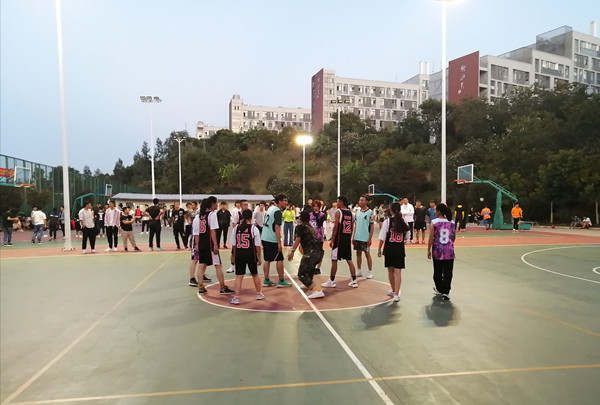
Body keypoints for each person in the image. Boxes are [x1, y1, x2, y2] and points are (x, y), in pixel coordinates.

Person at [195, 197, 234, 296]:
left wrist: (197, 244)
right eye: (216, 203)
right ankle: (222, 287)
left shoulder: (199, 216)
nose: (217, 205)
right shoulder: (212, 215)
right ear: (212, 204)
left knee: (201, 265)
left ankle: (201, 287)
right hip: (210, 244)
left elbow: (197, 233)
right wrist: (215, 245)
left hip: (202, 243)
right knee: (218, 265)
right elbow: (212, 231)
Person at [322, 196, 358, 289]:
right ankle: (354, 280)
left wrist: (332, 239)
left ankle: (331, 281)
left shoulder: (339, 212)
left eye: (338, 202)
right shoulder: (351, 213)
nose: (336, 203)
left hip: (339, 240)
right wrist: (350, 237)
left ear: (342, 202)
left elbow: (336, 226)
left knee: (334, 260)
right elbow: (353, 227)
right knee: (349, 260)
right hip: (347, 240)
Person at [288, 211, 325, 299]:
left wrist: (292, 252)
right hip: (319, 252)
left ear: (301, 218)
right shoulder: (311, 227)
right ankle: (308, 283)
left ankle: (317, 290)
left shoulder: (300, 227)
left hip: (311, 253)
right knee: (310, 270)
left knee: (302, 274)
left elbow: (297, 239)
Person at [230, 209, 264, 305]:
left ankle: (236, 297)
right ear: (251, 217)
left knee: (239, 276)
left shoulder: (236, 228)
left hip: (239, 254)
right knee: (255, 274)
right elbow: (257, 246)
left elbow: (234, 245)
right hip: (250, 254)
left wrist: (235, 255)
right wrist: (259, 257)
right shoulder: (253, 229)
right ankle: (259, 294)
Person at [377, 202, 409, 302]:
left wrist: (379, 249)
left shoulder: (387, 221)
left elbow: (382, 237)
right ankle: (396, 294)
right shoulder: (404, 221)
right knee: (398, 272)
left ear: (391, 210)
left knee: (390, 270)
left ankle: (394, 290)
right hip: (399, 249)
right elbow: (407, 237)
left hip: (389, 249)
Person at [261, 194, 292, 288]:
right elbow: (277, 227)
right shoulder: (278, 212)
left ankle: (266, 280)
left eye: (287, 201)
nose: (286, 202)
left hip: (265, 237)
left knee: (267, 260)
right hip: (272, 238)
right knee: (280, 259)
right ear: (279, 202)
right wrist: (279, 242)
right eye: (284, 201)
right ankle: (281, 280)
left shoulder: (270, 209)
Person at [427, 203, 456, 301]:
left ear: (439, 211)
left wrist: (428, 249)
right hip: (449, 250)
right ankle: (446, 291)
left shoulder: (434, 222)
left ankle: (440, 288)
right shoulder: (451, 222)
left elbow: (431, 237)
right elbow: (453, 236)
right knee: (448, 272)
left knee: (437, 272)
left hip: (438, 250)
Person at [353, 195, 375, 279]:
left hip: (365, 237)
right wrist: (353, 236)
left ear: (366, 202)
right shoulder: (357, 212)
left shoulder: (370, 212)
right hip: (357, 236)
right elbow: (356, 225)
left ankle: (370, 272)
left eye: (362, 200)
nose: (360, 201)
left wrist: (370, 238)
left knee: (367, 254)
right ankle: (359, 270)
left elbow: (372, 226)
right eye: (360, 200)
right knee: (358, 254)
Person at [227, 200, 249, 273]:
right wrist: (236, 232)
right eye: (244, 205)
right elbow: (234, 223)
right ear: (241, 205)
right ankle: (232, 266)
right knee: (234, 251)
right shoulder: (237, 213)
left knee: (249, 251)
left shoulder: (250, 214)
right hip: (239, 234)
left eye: (247, 205)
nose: (246, 206)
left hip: (247, 235)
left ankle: (250, 266)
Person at [308, 201, 327, 274]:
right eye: (314, 206)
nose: (316, 208)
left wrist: (324, 234)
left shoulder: (322, 215)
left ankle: (318, 268)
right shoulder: (310, 215)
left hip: (319, 235)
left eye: (317, 206)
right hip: (311, 236)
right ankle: (311, 266)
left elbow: (322, 224)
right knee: (312, 252)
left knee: (319, 252)